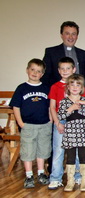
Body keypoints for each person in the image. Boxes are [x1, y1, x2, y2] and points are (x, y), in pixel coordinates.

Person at [10, 59, 52, 188]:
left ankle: (40, 173)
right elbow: (16, 106)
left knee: (42, 150)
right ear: (27, 70)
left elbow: (51, 105)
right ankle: (29, 175)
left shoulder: (46, 88)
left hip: (44, 124)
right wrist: (21, 123)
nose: (35, 73)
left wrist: (50, 120)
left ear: (42, 74)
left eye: (39, 71)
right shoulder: (22, 88)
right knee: (27, 151)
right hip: (28, 125)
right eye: (32, 69)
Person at [48, 57, 85, 190]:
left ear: (74, 69)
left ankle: (77, 176)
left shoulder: (80, 87)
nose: (65, 71)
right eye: (62, 69)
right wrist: (58, 122)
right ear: (59, 70)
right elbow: (53, 107)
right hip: (61, 121)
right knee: (59, 150)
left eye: (68, 68)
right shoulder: (55, 87)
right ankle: (55, 178)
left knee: (76, 151)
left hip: (76, 123)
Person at [58, 74, 85, 192]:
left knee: (83, 155)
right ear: (68, 87)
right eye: (72, 84)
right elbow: (60, 115)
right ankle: (70, 180)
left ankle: (84, 179)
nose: (75, 87)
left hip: (82, 130)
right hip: (70, 130)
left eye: (78, 85)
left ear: (82, 88)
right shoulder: (64, 101)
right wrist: (71, 108)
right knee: (70, 156)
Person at [42, 21, 85, 88]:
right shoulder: (51, 52)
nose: (70, 37)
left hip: (78, 94)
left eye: (73, 34)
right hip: (57, 93)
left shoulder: (84, 55)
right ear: (61, 35)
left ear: (77, 36)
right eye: (67, 33)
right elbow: (45, 76)